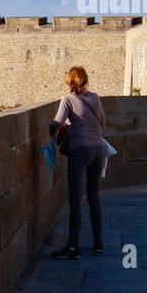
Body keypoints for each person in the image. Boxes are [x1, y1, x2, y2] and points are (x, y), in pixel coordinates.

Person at [49, 66, 107, 259]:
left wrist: (51, 130)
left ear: (70, 82)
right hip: (98, 150)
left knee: (75, 200)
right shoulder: (96, 98)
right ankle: (98, 243)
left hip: (80, 150)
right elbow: (102, 120)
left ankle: (73, 247)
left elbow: (57, 123)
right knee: (94, 197)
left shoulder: (68, 99)